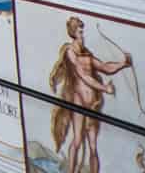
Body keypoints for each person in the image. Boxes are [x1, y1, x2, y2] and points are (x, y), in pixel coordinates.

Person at [47, 15, 132, 173]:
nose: (82, 33)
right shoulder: (70, 52)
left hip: (92, 104)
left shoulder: (86, 54)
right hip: (79, 101)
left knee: (93, 146)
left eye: (82, 30)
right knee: (78, 140)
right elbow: (83, 76)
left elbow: (105, 67)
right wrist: (104, 88)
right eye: (80, 30)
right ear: (73, 32)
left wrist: (123, 64)